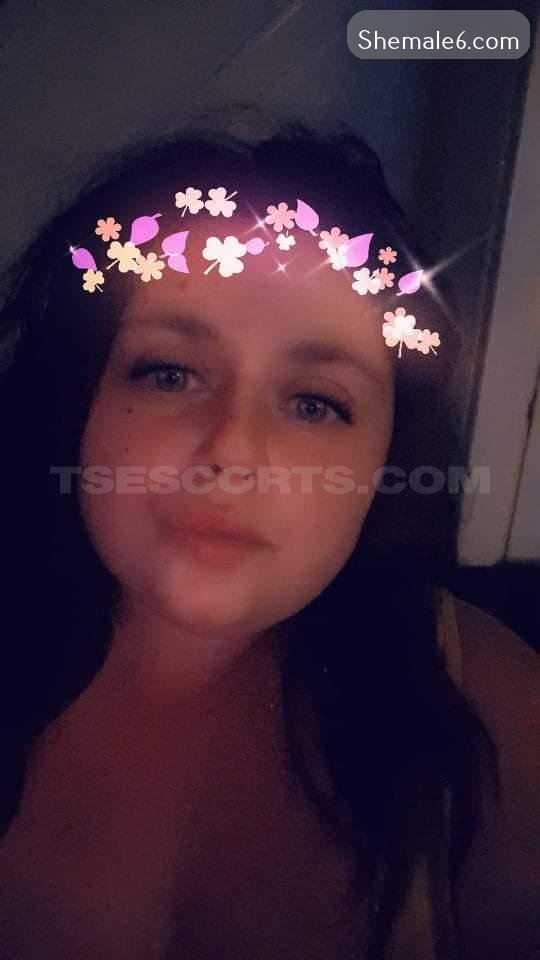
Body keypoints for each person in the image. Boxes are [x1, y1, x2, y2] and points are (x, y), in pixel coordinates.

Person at [0, 107, 537, 959]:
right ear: (78, 406)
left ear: (384, 465)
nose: (233, 451)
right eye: (169, 373)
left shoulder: (495, 712)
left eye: (316, 403)